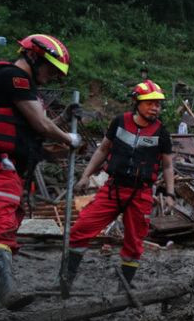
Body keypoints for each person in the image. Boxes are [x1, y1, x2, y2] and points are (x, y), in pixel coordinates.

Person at [0, 34, 81, 314]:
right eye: (50, 69)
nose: (50, 77)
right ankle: (6, 288)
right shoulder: (12, 77)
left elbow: (35, 131)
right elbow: (41, 124)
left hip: (6, 166)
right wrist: (69, 139)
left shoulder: (20, 88)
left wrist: (60, 124)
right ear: (33, 56)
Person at [59, 80, 175, 295]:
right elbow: (103, 150)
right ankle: (67, 279)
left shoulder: (162, 132)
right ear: (136, 102)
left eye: (158, 104)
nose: (155, 108)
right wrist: (86, 176)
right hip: (113, 189)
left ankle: (124, 288)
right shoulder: (119, 122)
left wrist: (170, 194)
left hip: (140, 194)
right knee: (81, 229)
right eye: (150, 103)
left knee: (134, 242)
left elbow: (167, 166)